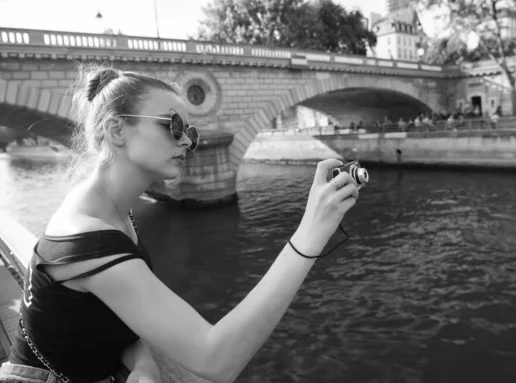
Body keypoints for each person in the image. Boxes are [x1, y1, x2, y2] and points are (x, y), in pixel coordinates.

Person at [0, 66, 359, 383]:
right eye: (173, 126)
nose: (187, 141)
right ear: (116, 130)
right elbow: (216, 360)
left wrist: (141, 360)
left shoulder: (106, 207)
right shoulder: (89, 235)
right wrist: (311, 232)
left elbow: (104, 316)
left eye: (191, 131)